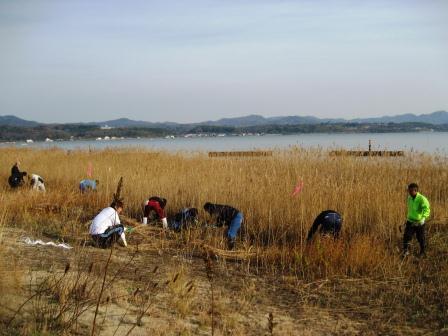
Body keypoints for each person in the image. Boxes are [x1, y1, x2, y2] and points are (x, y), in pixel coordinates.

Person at [403, 183, 430, 257]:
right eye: (409, 191)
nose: (409, 192)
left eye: (411, 191)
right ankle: (405, 252)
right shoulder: (409, 198)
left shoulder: (422, 199)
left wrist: (423, 218)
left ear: (416, 190)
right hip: (410, 221)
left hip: (419, 223)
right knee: (406, 236)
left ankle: (423, 252)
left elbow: (427, 210)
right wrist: (406, 219)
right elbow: (410, 210)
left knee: (421, 238)